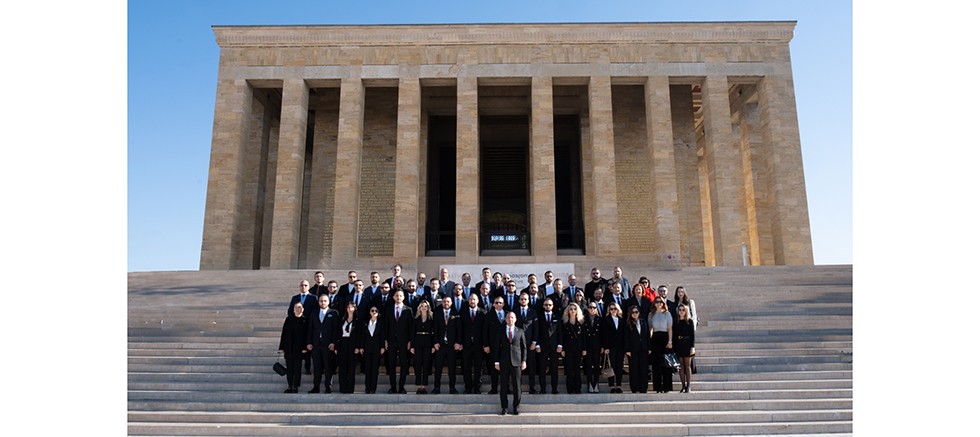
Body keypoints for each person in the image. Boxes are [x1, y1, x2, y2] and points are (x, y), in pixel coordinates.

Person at [493, 312, 526, 415]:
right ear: (505, 319)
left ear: (515, 319)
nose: (510, 319)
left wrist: (524, 361)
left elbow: (524, 347)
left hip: (516, 362)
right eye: (508, 317)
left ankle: (516, 407)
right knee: (503, 386)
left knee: (517, 386)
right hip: (504, 362)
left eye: (512, 317)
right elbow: (496, 347)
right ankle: (504, 407)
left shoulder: (520, 331)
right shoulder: (500, 331)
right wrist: (496, 361)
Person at [306, 294, 339, 393]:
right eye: (321, 301)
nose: (323, 303)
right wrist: (309, 342)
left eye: (325, 301)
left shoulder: (333, 313)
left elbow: (336, 329)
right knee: (317, 367)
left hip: (328, 345)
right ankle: (316, 387)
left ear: (328, 302)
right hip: (316, 344)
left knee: (328, 366)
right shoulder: (314, 313)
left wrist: (333, 342)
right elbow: (310, 329)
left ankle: (328, 386)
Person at [385, 289, 414, 394]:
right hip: (391, 341)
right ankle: (393, 387)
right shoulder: (388, 309)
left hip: (404, 341)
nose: (398, 297)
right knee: (391, 364)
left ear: (404, 297)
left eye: (400, 295)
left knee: (404, 364)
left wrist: (410, 341)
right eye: (396, 295)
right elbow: (386, 326)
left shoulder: (408, 310)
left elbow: (411, 327)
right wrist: (385, 340)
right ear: (393, 297)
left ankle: (401, 387)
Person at [288, 280, 319, 374]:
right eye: (302, 285)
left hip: (308, 325)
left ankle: (307, 367)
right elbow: (290, 311)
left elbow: (315, 311)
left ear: (309, 287)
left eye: (305, 285)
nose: (303, 287)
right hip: (297, 325)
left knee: (307, 346)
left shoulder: (313, 298)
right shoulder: (295, 298)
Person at [278, 302, 310, 393]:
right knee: (289, 369)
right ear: (293, 309)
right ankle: (290, 386)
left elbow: (307, 335)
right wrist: (281, 347)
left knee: (297, 369)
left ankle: (295, 386)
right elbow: (284, 333)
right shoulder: (288, 319)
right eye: (296, 307)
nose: (297, 309)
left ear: (303, 309)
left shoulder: (305, 320)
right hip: (288, 347)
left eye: (299, 307)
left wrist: (305, 348)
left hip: (300, 349)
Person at [433, 296, 461, 394]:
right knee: (438, 368)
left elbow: (459, 329)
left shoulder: (455, 314)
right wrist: (435, 342)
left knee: (452, 368)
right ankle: (436, 388)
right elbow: (435, 328)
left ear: (451, 303)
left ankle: (452, 388)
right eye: (444, 301)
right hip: (440, 345)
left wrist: (458, 342)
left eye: (448, 302)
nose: (446, 303)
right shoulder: (437, 313)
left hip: (451, 345)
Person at [460, 293, 487, 394]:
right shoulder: (463, 312)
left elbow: (485, 330)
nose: (472, 301)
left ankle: (477, 387)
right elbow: (460, 328)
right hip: (466, 344)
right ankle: (468, 387)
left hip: (478, 344)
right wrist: (460, 342)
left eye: (474, 299)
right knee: (466, 366)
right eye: (470, 299)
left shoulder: (483, 313)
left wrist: (485, 344)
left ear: (478, 301)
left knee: (478, 367)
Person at [535, 298, 563, 394]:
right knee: (542, 368)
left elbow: (560, 332)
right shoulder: (539, 318)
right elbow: (537, 332)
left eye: (550, 305)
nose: (548, 306)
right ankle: (542, 389)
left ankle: (554, 389)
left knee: (554, 369)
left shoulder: (557, 317)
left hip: (554, 347)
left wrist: (560, 344)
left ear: (552, 306)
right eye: (546, 305)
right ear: (543, 306)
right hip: (542, 346)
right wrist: (537, 344)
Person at [514, 292, 539, 394]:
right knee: (517, 366)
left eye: (525, 299)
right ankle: (518, 387)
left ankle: (532, 387)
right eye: (521, 299)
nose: (523, 301)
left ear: (528, 300)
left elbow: (536, 328)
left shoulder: (533, 312)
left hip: (530, 343)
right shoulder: (515, 311)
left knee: (531, 366)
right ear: (519, 300)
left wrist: (534, 342)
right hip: (517, 344)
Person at [356, 305, 385, 394]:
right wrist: (361, 346)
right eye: (372, 310)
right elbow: (362, 336)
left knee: (374, 369)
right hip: (367, 348)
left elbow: (382, 336)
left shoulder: (380, 323)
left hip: (377, 348)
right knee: (367, 369)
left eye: (376, 311)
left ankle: (373, 388)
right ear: (369, 312)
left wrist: (382, 347)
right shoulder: (365, 323)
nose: (374, 312)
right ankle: (367, 388)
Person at [648, 296, 674, 393]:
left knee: (666, 363)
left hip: (665, 338)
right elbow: (650, 328)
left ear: (663, 303)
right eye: (657, 302)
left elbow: (670, 328)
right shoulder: (651, 314)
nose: (659, 303)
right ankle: (658, 387)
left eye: (661, 302)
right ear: (654, 303)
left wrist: (670, 341)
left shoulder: (667, 314)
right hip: (655, 338)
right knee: (656, 364)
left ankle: (666, 387)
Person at [483, 296, 507, 394]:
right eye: (496, 303)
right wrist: (486, 345)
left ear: (503, 304)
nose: (498, 304)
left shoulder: (508, 314)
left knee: (506, 368)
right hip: (493, 346)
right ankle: (494, 388)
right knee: (494, 368)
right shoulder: (489, 315)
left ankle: (506, 387)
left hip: (506, 346)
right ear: (493, 304)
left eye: (500, 303)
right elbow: (485, 331)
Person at [410, 300, 435, 394]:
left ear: (428, 308)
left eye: (425, 306)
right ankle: (418, 386)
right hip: (418, 342)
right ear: (419, 308)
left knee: (426, 364)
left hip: (428, 343)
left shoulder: (431, 319)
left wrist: (433, 345)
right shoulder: (415, 319)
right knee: (417, 364)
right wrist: (412, 346)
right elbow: (412, 333)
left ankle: (424, 386)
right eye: (422, 306)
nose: (424, 308)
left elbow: (434, 333)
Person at [600, 302, 626, 393]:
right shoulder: (606, 320)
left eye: (615, 308)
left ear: (618, 310)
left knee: (619, 366)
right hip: (610, 346)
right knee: (611, 366)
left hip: (620, 346)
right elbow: (604, 334)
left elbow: (624, 334)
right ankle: (611, 385)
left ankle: (618, 385)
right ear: (609, 310)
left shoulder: (622, 320)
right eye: (611, 309)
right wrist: (605, 347)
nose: (613, 310)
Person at [561, 302, 586, 394]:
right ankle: (570, 388)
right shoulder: (564, 323)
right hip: (568, 349)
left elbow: (583, 337)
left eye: (575, 309)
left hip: (578, 348)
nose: (572, 311)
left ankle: (577, 388)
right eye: (571, 309)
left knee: (577, 369)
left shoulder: (581, 323)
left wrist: (584, 348)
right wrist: (563, 349)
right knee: (569, 369)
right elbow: (562, 337)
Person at [624, 305, 650, 393]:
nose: (635, 314)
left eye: (636, 312)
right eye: (633, 312)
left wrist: (649, 347)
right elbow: (626, 337)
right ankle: (635, 388)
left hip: (643, 348)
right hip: (633, 349)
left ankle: (643, 388)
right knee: (634, 369)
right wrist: (627, 350)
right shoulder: (628, 323)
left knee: (643, 368)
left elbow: (647, 335)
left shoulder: (643, 322)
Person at [337, 301, 360, 393]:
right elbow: (338, 333)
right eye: (348, 307)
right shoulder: (342, 319)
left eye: (352, 307)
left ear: (355, 309)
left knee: (351, 368)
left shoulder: (357, 321)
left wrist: (358, 346)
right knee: (342, 367)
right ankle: (343, 387)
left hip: (352, 344)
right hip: (343, 343)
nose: (350, 309)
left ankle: (350, 388)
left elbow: (359, 334)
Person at [673, 303, 697, 393]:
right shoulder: (676, 322)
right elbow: (674, 335)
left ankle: (688, 386)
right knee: (681, 366)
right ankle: (683, 386)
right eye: (680, 310)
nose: (681, 311)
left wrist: (692, 347)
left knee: (687, 366)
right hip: (679, 345)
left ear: (686, 311)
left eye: (683, 310)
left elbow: (692, 335)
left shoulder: (689, 321)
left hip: (687, 344)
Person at [582, 300, 604, 393]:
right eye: (590, 307)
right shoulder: (584, 319)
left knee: (596, 365)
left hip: (597, 346)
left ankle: (596, 383)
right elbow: (583, 335)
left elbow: (603, 334)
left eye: (594, 307)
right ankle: (590, 383)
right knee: (588, 365)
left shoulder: (600, 320)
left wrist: (602, 346)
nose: (592, 309)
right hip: (587, 346)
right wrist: (584, 348)